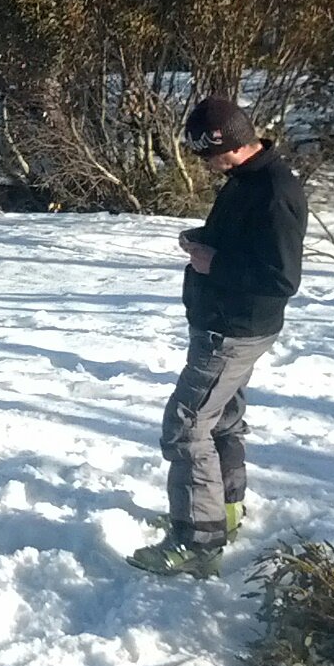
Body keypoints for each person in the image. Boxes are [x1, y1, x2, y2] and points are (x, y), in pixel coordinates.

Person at [129, 95, 307, 578]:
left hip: (233, 331)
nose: (204, 165)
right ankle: (224, 510)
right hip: (225, 323)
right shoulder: (247, 180)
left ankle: (197, 541)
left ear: (225, 143)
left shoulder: (274, 191)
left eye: (205, 154)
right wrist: (205, 242)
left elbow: (281, 278)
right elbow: (248, 242)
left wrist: (215, 263)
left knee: (186, 428)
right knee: (222, 419)